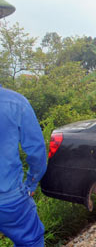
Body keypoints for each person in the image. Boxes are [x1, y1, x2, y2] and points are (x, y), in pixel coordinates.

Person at [0, 87, 47, 246]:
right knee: (31, 242)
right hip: (9, 199)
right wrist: (31, 183)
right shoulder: (15, 102)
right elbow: (36, 152)